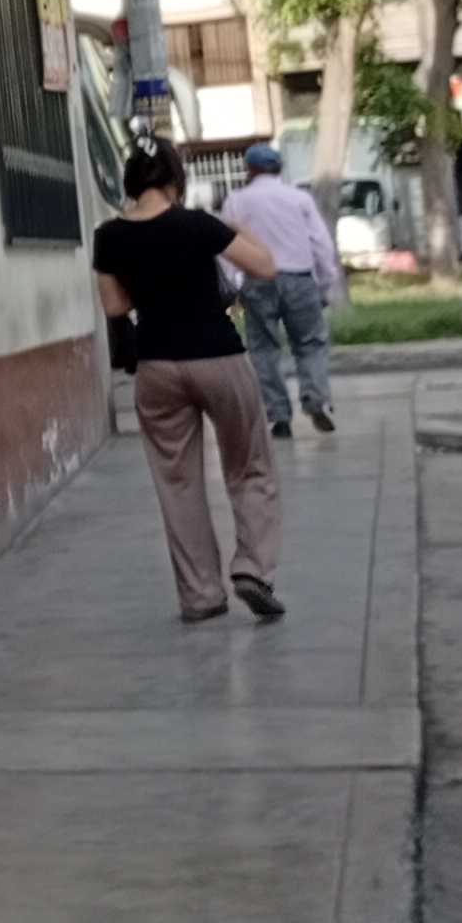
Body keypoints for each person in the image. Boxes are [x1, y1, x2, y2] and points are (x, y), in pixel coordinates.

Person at [92, 139, 287, 621]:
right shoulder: (198, 224)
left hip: (156, 368)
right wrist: (233, 226)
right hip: (219, 358)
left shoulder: (109, 236)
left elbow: (115, 306)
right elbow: (264, 266)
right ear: (174, 178)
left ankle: (201, 595)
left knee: (177, 483)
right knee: (249, 466)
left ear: (131, 181)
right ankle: (253, 569)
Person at [222, 137, 342, 439]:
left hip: (257, 280)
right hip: (300, 279)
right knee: (310, 343)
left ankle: (278, 416)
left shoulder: (236, 201)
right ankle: (316, 399)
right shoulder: (299, 199)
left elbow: (228, 246)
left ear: (250, 169)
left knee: (263, 348)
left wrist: (235, 283)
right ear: (279, 168)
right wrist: (325, 283)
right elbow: (321, 243)